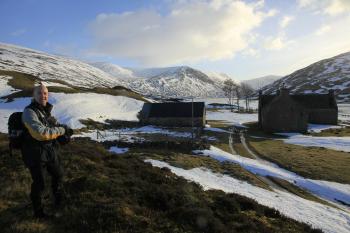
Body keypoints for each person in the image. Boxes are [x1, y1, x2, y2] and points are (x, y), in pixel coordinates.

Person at [21, 83, 73, 219]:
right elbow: (41, 133)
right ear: (34, 95)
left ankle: (58, 200)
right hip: (35, 154)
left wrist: (64, 133)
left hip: (50, 151)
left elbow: (54, 127)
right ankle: (39, 213)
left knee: (58, 174)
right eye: (40, 93)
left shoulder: (46, 111)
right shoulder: (29, 112)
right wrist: (62, 130)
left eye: (45, 93)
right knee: (40, 184)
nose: (43, 95)